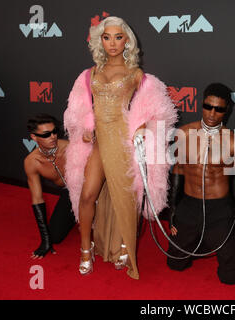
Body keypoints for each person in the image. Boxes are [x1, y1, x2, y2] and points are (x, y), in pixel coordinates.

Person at [63, 16, 177, 278]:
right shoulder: (89, 74)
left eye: (118, 37)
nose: (112, 43)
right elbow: (77, 110)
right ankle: (85, 249)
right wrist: (85, 126)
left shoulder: (136, 74)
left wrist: (142, 126)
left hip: (123, 141)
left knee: (127, 196)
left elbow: (159, 113)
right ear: (99, 41)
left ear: (127, 41)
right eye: (106, 37)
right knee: (87, 195)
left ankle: (125, 244)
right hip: (100, 141)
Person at [166, 83, 235, 284]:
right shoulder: (185, 133)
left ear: (227, 111)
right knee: (175, 264)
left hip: (219, 209)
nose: (212, 113)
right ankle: (201, 240)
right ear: (202, 105)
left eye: (219, 109)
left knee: (229, 278)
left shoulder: (234, 143)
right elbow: (178, 171)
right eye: (208, 106)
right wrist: (173, 209)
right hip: (189, 203)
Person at [24, 114, 75, 259]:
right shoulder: (32, 162)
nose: (53, 137)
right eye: (46, 134)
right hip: (68, 194)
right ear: (34, 137)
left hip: (86, 188)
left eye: (54, 132)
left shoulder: (68, 147)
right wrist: (45, 240)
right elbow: (37, 199)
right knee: (55, 237)